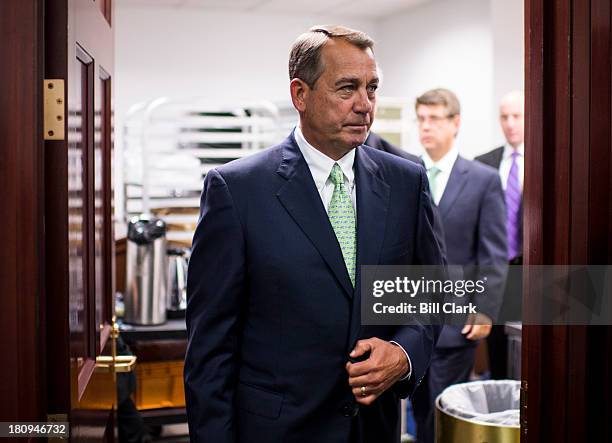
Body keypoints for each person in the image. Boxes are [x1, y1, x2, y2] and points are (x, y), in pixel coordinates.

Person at [183, 25, 445, 443]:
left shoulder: (406, 182)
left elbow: (427, 296)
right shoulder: (237, 190)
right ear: (300, 94)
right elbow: (210, 351)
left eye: (371, 88)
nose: (364, 105)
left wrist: (403, 354)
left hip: (372, 429)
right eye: (347, 89)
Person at [410, 88, 507, 443]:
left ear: (455, 124)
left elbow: (493, 255)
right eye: (421, 119)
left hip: (456, 323)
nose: (426, 127)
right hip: (408, 319)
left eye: (434, 119)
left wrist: (486, 311)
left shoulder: (482, 180)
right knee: (419, 412)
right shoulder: (406, 173)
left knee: (442, 413)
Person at [475, 90, 524, 379]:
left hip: (532, 273)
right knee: (496, 353)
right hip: (494, 275)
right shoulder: (484, 163)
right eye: (504, 117)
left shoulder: (549, 160)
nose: (510, 123)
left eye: (516, 116)